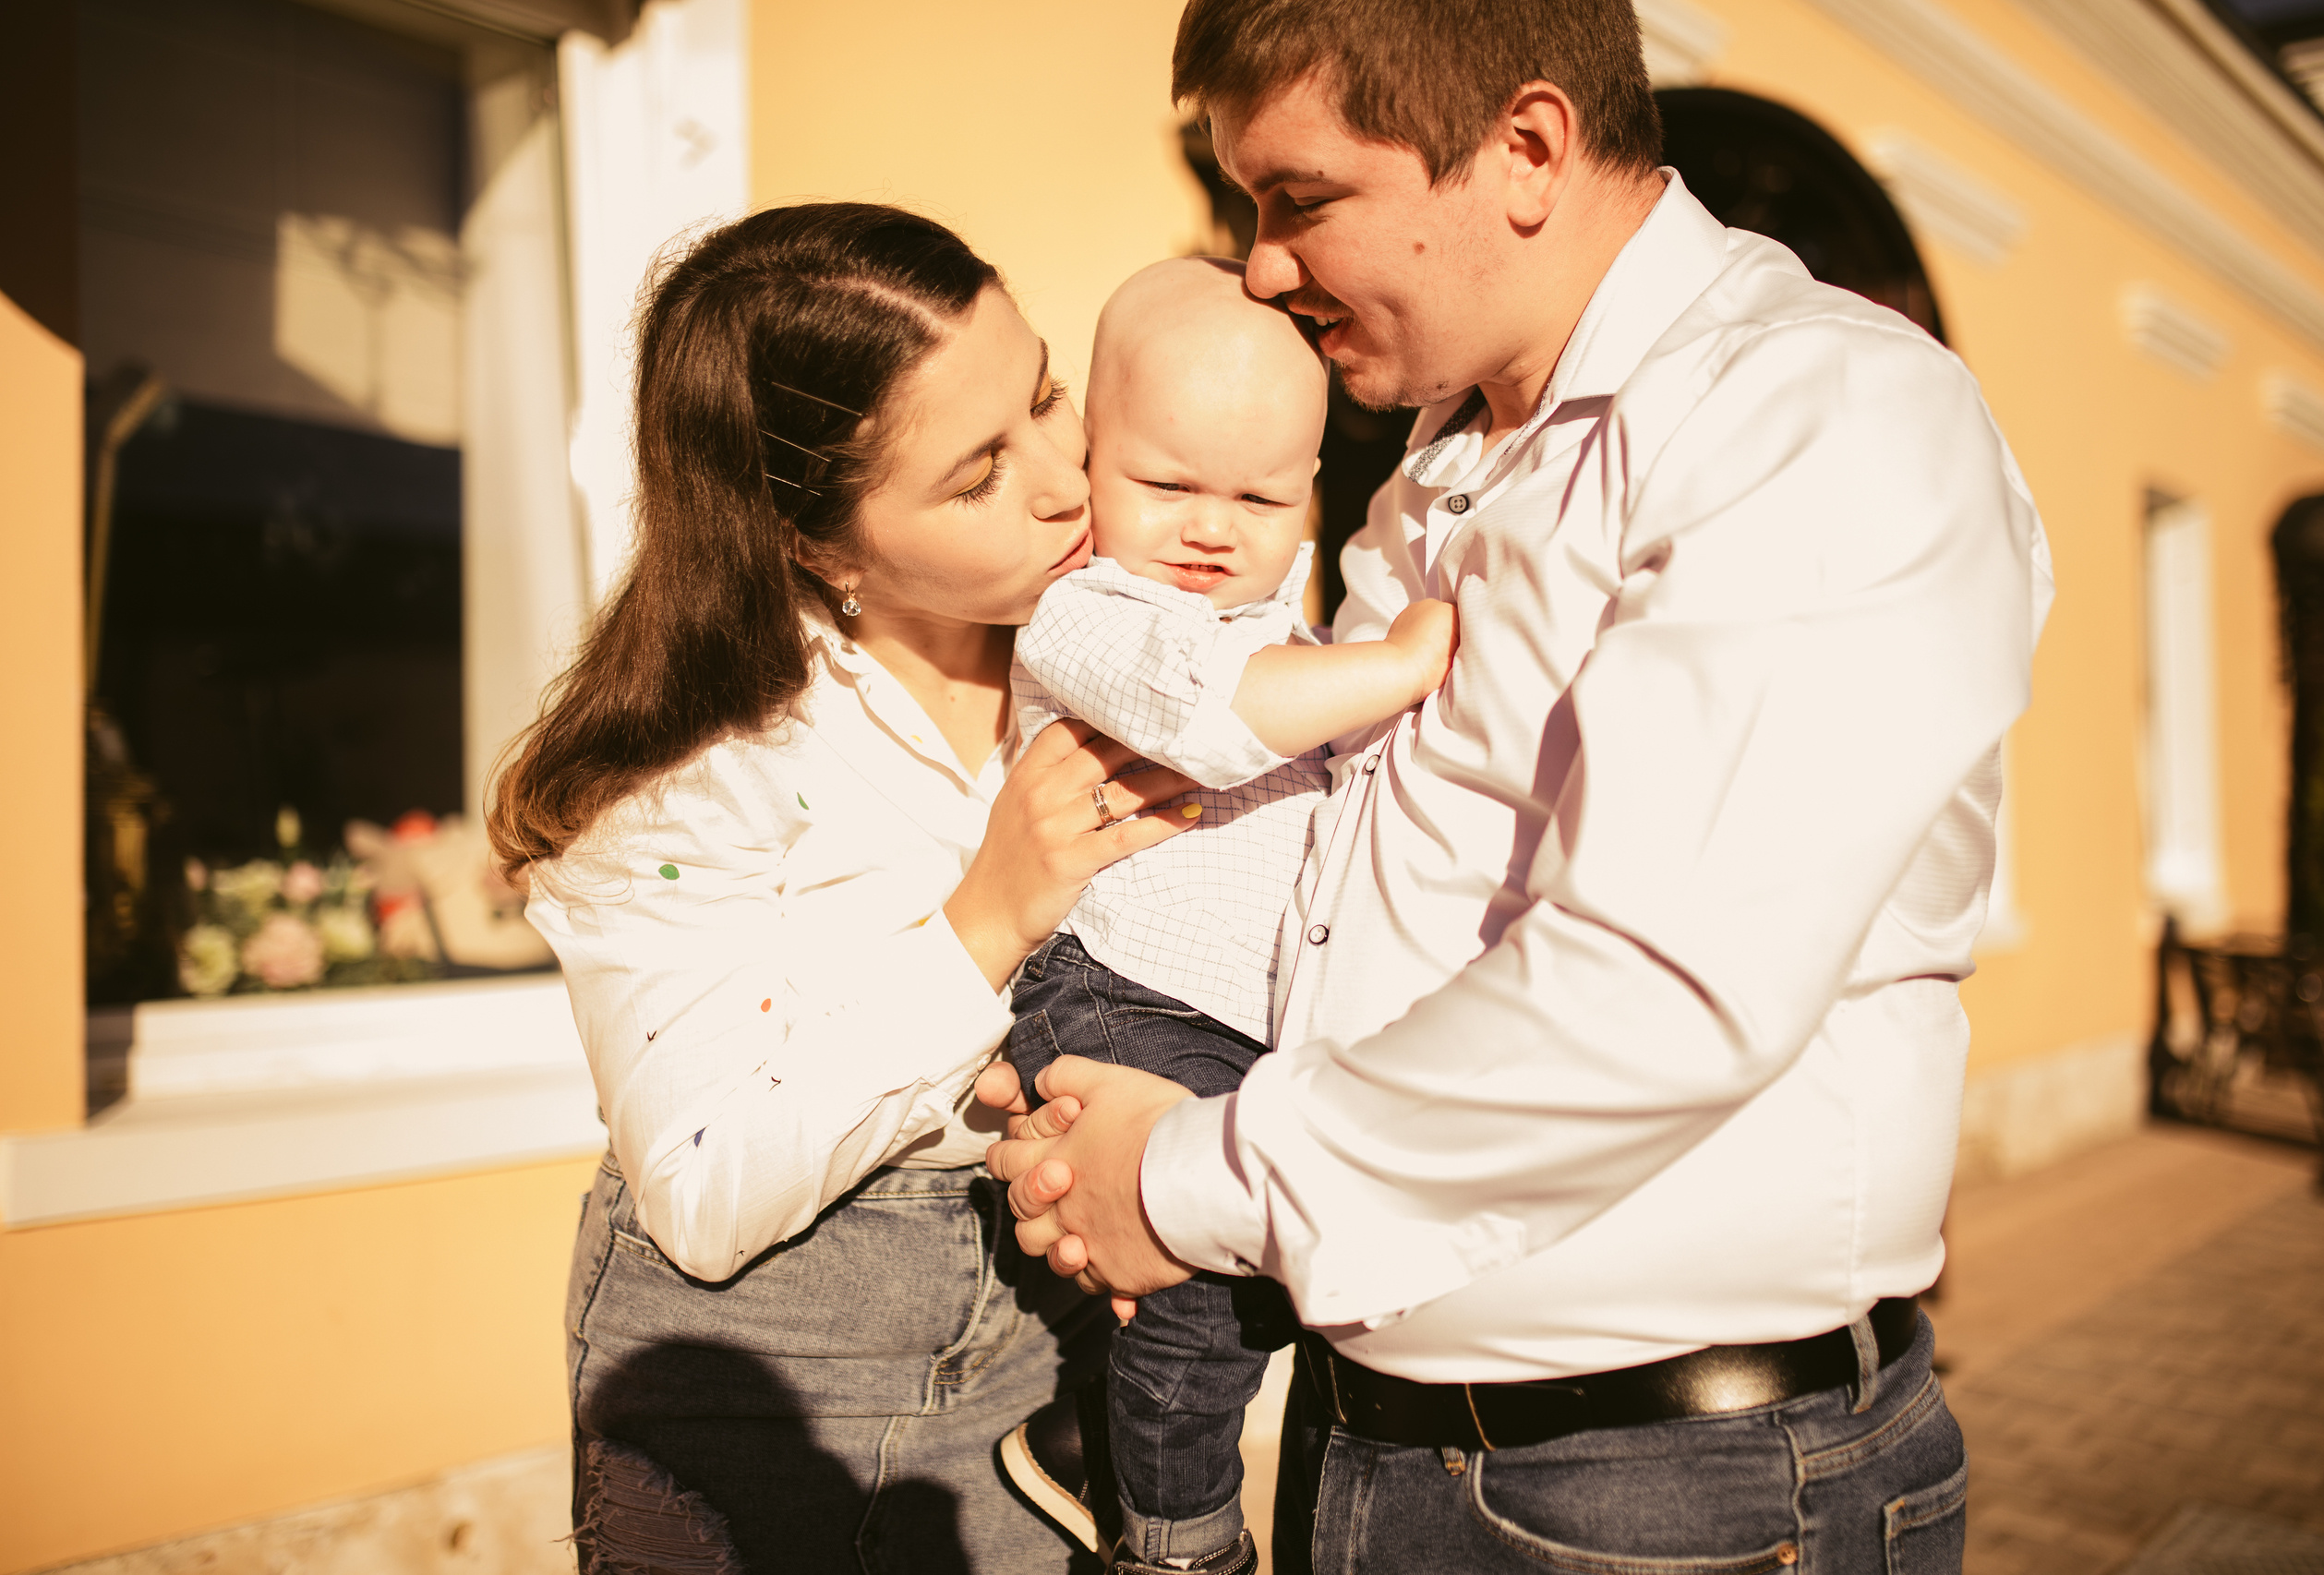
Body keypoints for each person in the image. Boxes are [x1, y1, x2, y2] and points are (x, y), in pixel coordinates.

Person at [981, 2, 2055, 1572]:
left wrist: (1183, 1175)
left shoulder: (1815, 413)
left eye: (1300, 198)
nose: (1263, 265)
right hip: (1379, 1452)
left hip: (1665, 1495)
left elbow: (1655, 986)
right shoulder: (1443, 455)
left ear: (1528, 150)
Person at [489, 202, 1206, 1573]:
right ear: (818, 543)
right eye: (979, 471)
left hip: (1043, 1342)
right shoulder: (700, 770)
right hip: (768, 1370)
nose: (1066, 479)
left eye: (1047, 394)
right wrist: (987, 919)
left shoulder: (1126, 650)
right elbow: (700, 1196)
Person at [992, 256, 1456, 1575]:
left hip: (1237, 1024)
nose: (1211, 527)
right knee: (1200, 1295)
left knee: (1248, 1292)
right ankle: (1178, 1542)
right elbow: (1210, 708)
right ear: (1093, 463)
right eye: (1167, 483)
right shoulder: (1089, 615)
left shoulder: (1299, 648)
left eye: (1258, 495)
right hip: (1120, 995)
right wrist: (1407, 663)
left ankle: (1092, 1447)